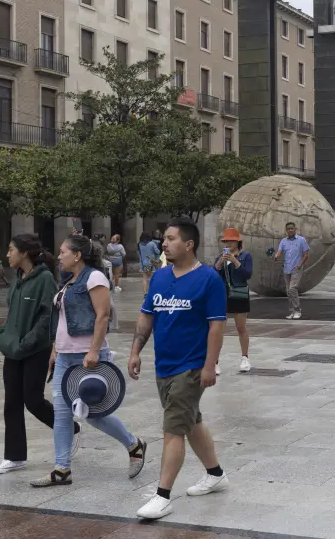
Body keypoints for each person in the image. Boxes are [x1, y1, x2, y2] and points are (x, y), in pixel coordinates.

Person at [128, 218, 228, 520]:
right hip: (164, 365)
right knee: (191, 421)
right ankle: (216, 474)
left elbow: (216, 327)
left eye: (171, 238)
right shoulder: (159, 278)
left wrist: (209, 366)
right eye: (164, 239)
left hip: (191, 366)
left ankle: (162, 496)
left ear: (189, 244)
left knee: (173, 430)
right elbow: (146, 317)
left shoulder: (209, 280)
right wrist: (135, 351)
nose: (164, 243)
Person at [31, 235, 146, 488]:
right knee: (62, 414)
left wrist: (94, 350)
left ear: (77, 255)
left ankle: (134, 444)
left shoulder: (94, 277)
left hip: (87, 357)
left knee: (94, 415)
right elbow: (60, 321)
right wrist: (55, 351)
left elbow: (103, 315)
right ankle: (62, 469)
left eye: (62, 252)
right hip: (64, 357)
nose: (59, 256)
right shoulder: (68, 282)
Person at [0, 234, 81, 474]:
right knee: (11, 402)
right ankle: (14, 456)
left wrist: (28, 342)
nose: (8, 254)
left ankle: (70, 429)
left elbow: (47, 318)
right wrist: (4, 334)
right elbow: (11, 314)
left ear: (24, 253)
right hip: (13, 349)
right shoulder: (18, 279)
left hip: (35, 350)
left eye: (11, 250)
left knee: (32, 400)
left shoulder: (44, 280)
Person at [214, 227, 253, 374]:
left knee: (241, 327)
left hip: (239, 293)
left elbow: (247, 274)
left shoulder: (245, 256)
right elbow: (213, 274)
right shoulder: (221, 256)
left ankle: (245, 357)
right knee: (219, 329)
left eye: (231, 241)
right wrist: (219, 263)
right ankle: (215, 362)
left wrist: (235, 261)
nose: (228, 243)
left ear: (238, 242)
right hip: (222, 295)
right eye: (226, 241)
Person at [274, 222, 310, 319]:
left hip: (296, 268)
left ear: (295, 229)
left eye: (292, 228)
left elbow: (306, 255)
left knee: (292, 289)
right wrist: (277, 255)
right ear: (286, 231)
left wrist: (299, 265)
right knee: (288, 291)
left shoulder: (301, 240)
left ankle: (297, 310)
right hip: (286, 268)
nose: (290, 230)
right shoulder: (283, 241)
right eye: (288, 229)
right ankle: (292, 311)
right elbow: (280, 251)